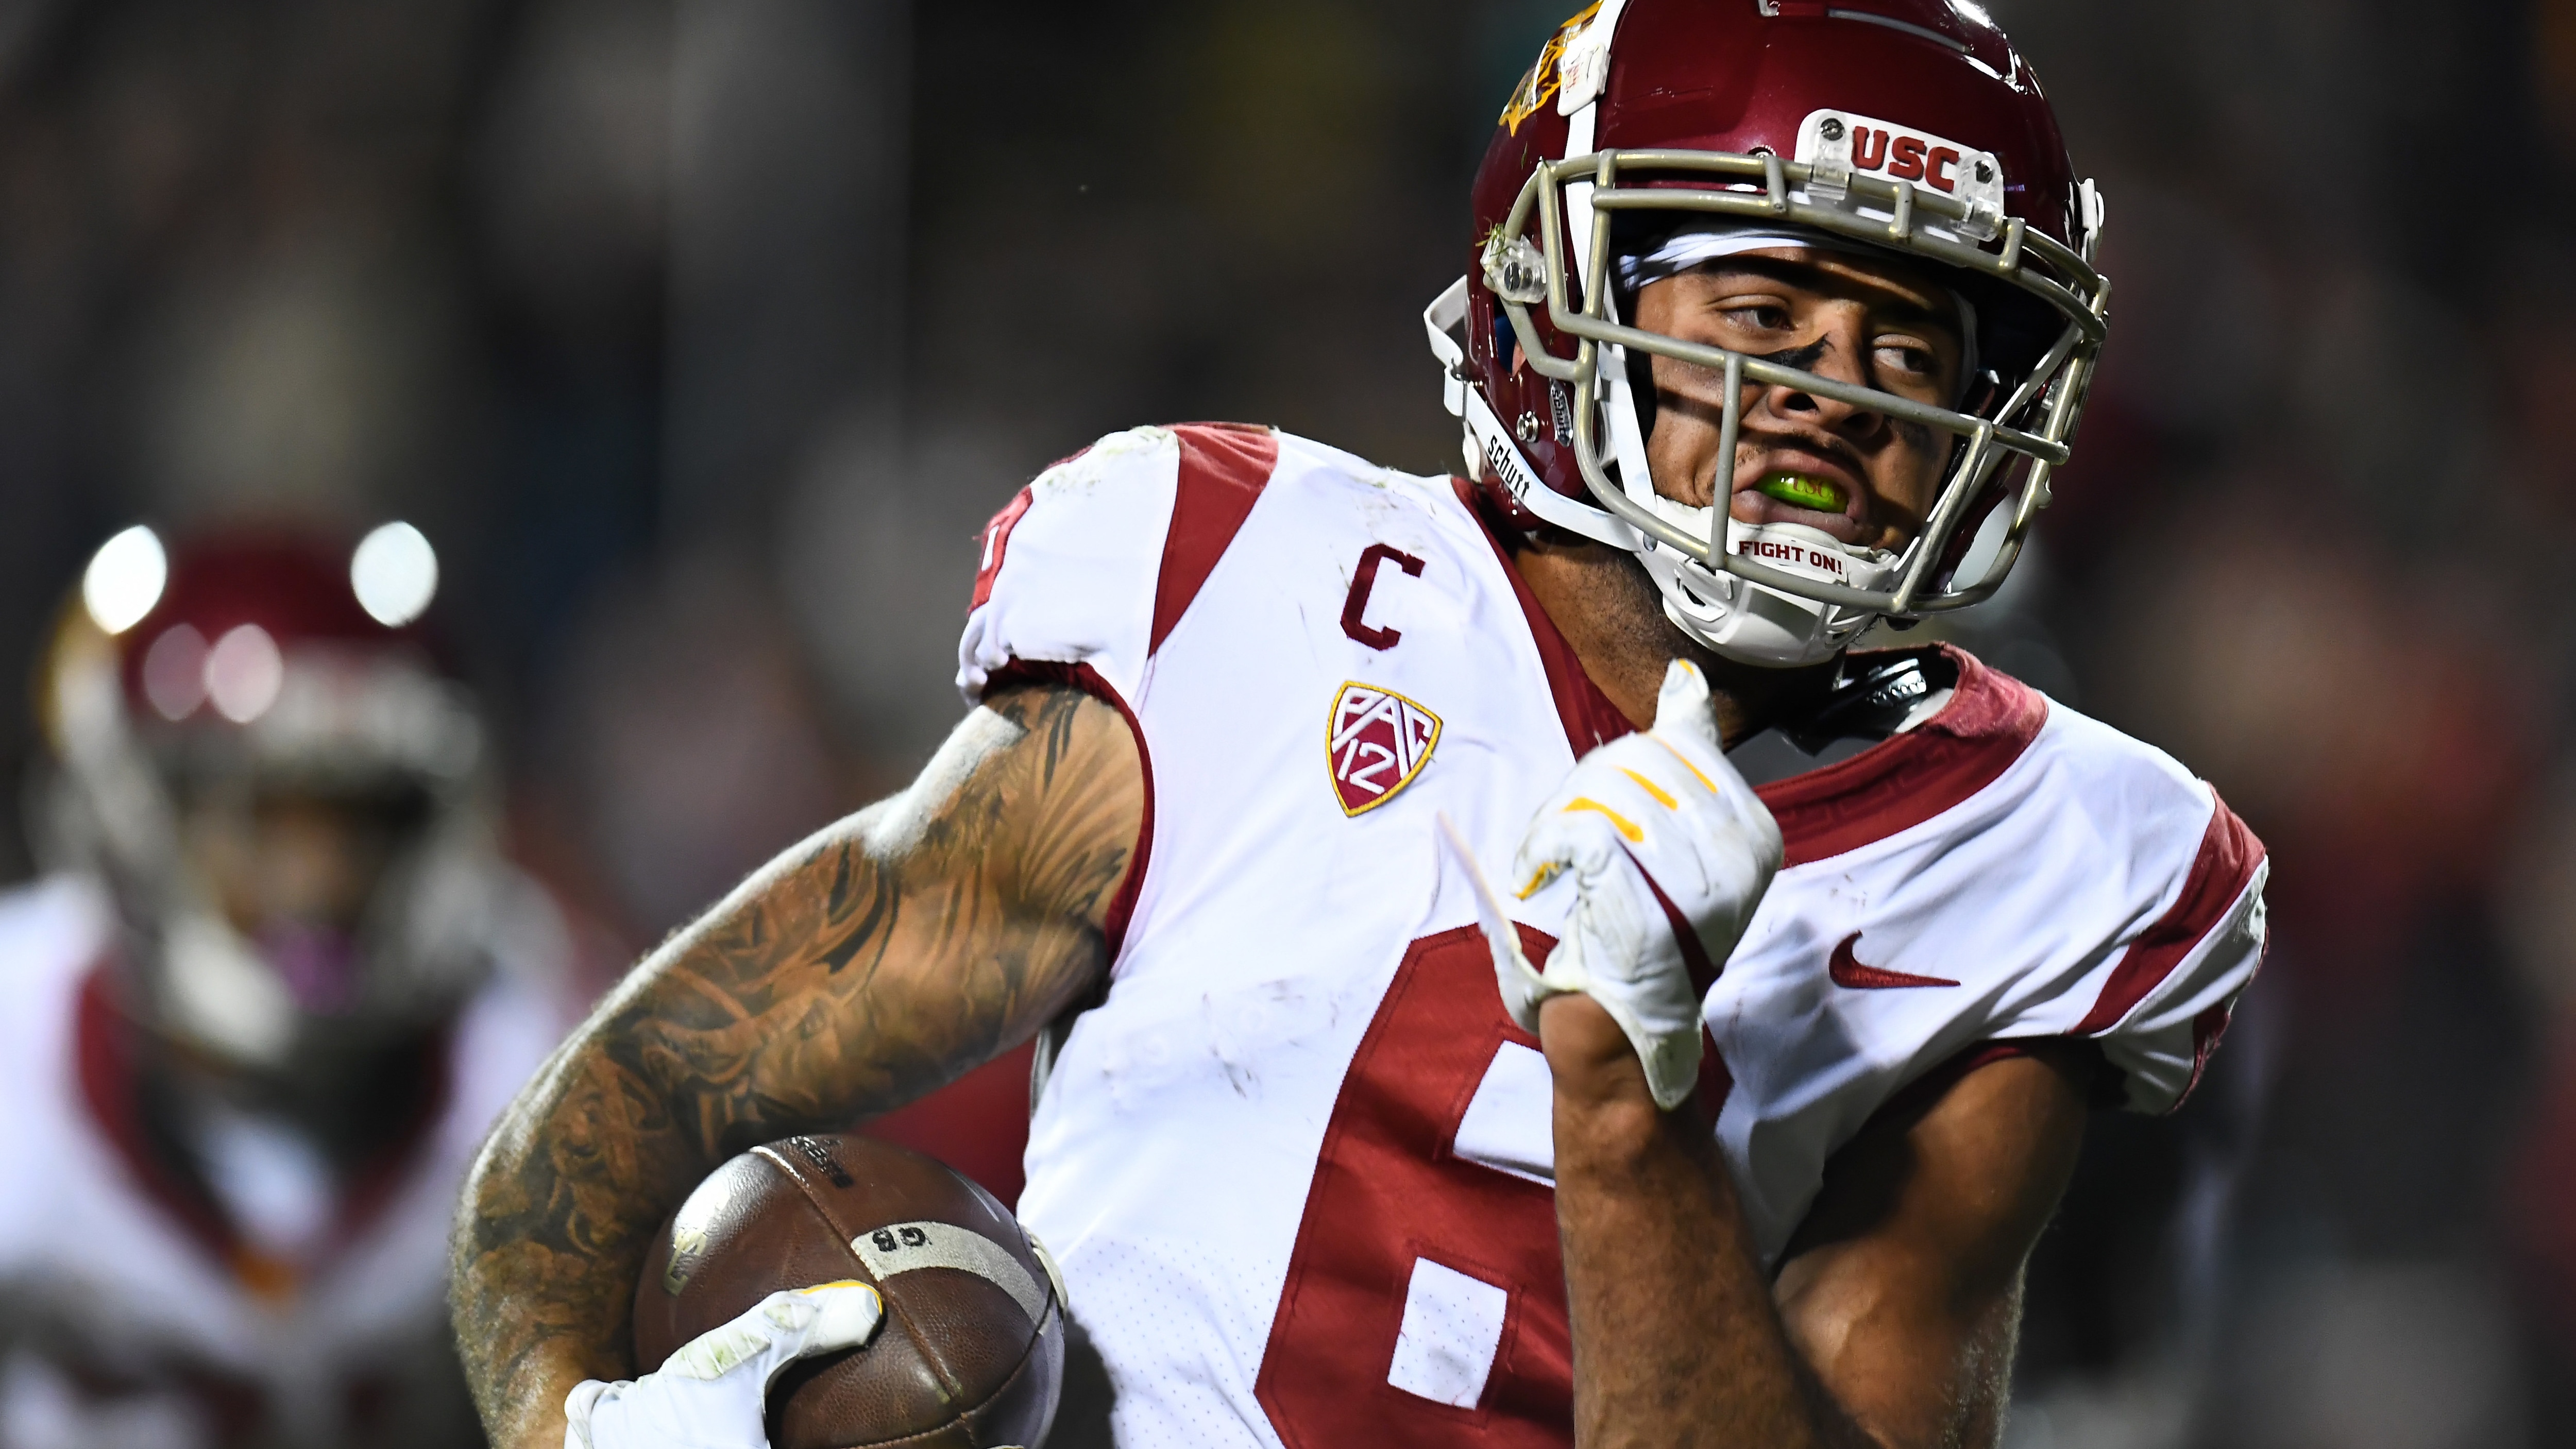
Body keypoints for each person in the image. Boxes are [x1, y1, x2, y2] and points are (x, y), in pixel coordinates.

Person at [451, 4, 2270, 1447]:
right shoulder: (1250, 583)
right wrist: (571, 1427)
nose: (1833, 399)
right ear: (1571, 296)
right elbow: (638, 1092)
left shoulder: (2040, 853)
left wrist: (1627, 1110)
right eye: (1765, 308)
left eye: (1911, 350)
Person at [0, 524, 581, 1449]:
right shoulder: (20, 1036)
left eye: (362, 819)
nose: (315, 885)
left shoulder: (515, 1049)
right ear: (133, 821)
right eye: (260, 820)